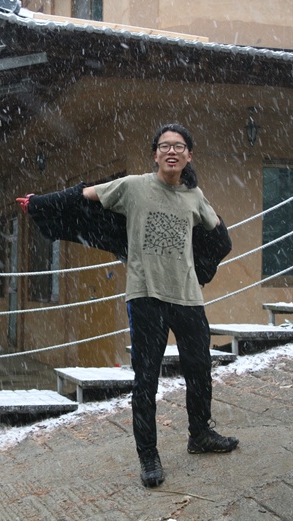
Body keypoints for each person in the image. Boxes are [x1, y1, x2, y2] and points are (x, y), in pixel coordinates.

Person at [17, 122, 239, 489]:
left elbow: (219, 237)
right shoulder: (133, 186)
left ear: (188, 155)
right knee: (146, 379)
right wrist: (40, 203)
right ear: (155, 154)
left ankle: (200, 435)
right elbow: (82, 195)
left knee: (199, 369)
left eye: (179, 146)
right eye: (164, 146)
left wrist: (201, 268)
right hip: (146, 296)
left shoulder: (194, 196)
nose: (172, 151)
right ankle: (149, 457)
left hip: (187, 297)